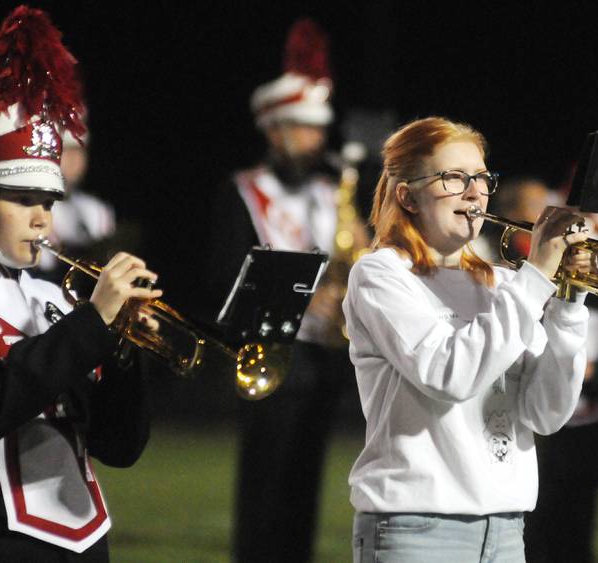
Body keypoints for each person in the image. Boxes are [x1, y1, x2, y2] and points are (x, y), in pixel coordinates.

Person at [344, 116, 594, 563]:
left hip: (506, 528)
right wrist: (536, 276)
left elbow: (545, 412)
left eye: (481, 178)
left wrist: (569, 306)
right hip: (415, 528)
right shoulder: (381, 274)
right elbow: (448, 375)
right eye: (454, 178)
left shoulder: (503, 283)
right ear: (408, 196)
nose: (476, 192)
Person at [0, 6, 160, 560]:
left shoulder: (55, 298)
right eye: (22, 200)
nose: (42, 219)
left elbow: (118, 447)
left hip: (83, 541)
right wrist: (92, 324)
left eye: (47, 202)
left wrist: (122, 349)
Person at [206, 19, 366, 563]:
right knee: (265, 490)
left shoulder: (330, 192)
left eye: (318, 129)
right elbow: (227, 278)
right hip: (270, 353)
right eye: (303, 128)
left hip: (323, 359)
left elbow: (351, 260)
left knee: (305, 490)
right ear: (273, 129)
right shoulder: (243, 192)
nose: (316, 140)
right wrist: (303, 299)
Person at [500, 175, 598, 563]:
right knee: (536, 529)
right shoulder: (508, 263)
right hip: (528, 417)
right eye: (536, 205)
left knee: (576, 529)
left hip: (584, 417)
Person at [34, 128, 117, 282]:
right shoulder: (32, 205)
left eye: (80, 151)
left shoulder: (97, 209)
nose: (75, 160)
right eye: (67, 151)